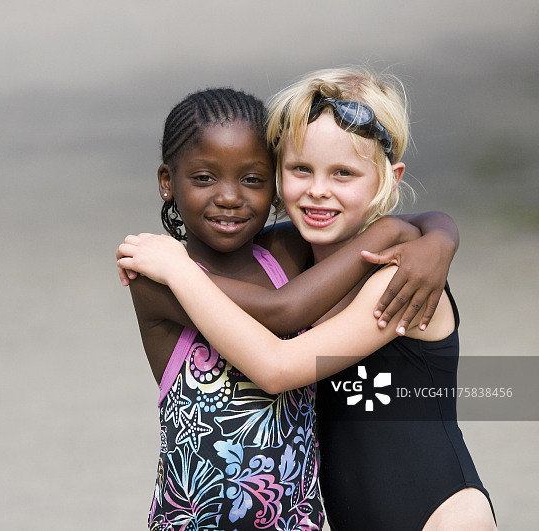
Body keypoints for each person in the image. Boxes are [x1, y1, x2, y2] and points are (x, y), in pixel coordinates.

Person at [117, 68, 497, 530]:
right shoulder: (300, 262)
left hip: (442, 516)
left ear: (387, 180)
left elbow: (279, 366)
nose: (319, 189)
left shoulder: (399, 273)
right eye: (301, 169)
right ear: (279, 174)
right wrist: (438, 230)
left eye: (343, 173)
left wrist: (440, 237)